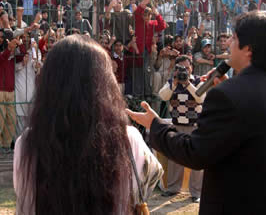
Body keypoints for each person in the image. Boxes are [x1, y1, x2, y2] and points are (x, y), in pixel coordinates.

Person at [127, 11, 266, 215]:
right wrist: (234, 87)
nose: (229, 45)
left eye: (233, 38)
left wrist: (155, 125)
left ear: (248, 49)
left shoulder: (229, 95)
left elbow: (195, 153)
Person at [13, 35, 163, 214]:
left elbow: (26, 200)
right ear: (106, 83)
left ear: (49, 84)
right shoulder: (129, 139)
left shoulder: (29, 142)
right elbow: (148, 183)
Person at [157, 54, 205, 202]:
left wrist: (187, 84)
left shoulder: (199, 81)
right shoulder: (172, 82)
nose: (185, 70)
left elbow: (200, 97)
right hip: (177, 124)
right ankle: (172, 189)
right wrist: (175, 82)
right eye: (181, 67)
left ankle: (196, 193)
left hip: (196, 125)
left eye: (187, 66)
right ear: (176, 70)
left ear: (192, 67)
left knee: (197, 159)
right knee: (175, 158)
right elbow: (163, 96)